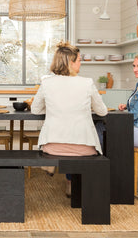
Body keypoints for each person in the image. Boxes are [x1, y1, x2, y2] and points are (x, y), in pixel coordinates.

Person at [31, 41, 108, 197]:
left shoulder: (46, 83)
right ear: (71, 63)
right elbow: (102, 111)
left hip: (52, 147)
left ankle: (67, 180)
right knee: (101, 131)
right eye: (79, 60)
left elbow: (35, 109)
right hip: (84, 147)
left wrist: (55, 106)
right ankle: (86, 187)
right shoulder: (87, 83)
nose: (81, 64)